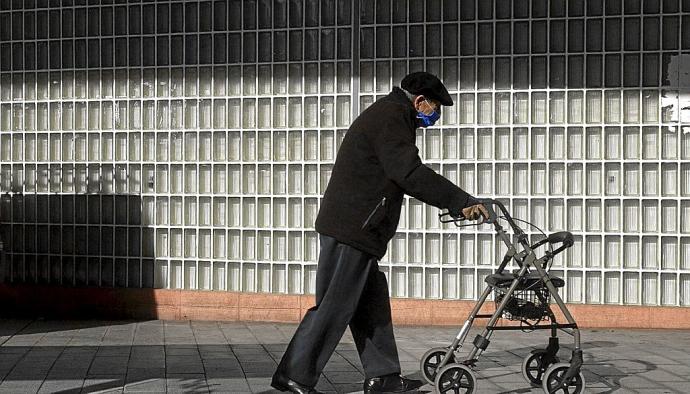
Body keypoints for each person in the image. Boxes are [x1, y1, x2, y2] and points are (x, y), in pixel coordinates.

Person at [271, 72, 488, 394]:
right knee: (335, 304)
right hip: (353, 227)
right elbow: (408, 172)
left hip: (359, 227)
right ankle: (295, 374)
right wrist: (461, 201)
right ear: (420, 101)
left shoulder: (390, 113)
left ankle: (383, 376)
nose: (435, 116)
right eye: (435, 107)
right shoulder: (391, 116)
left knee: (371, 304)